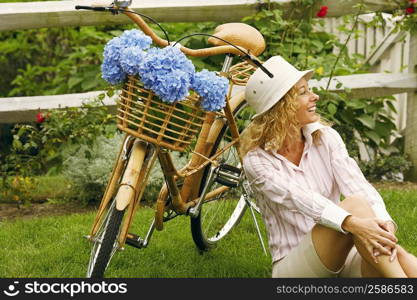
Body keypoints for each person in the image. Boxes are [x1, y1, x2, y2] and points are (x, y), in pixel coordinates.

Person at [241, 55, 417, 278]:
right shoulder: (257, 162)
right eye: (303, 92)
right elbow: (302, 199)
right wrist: (353, 223)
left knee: (396, 253)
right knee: (355, 207)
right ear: (281, 106)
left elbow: (357, 185)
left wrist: (384, 224)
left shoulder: (326, 138)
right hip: (296, 268)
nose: (314, 96)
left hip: (344, 253)